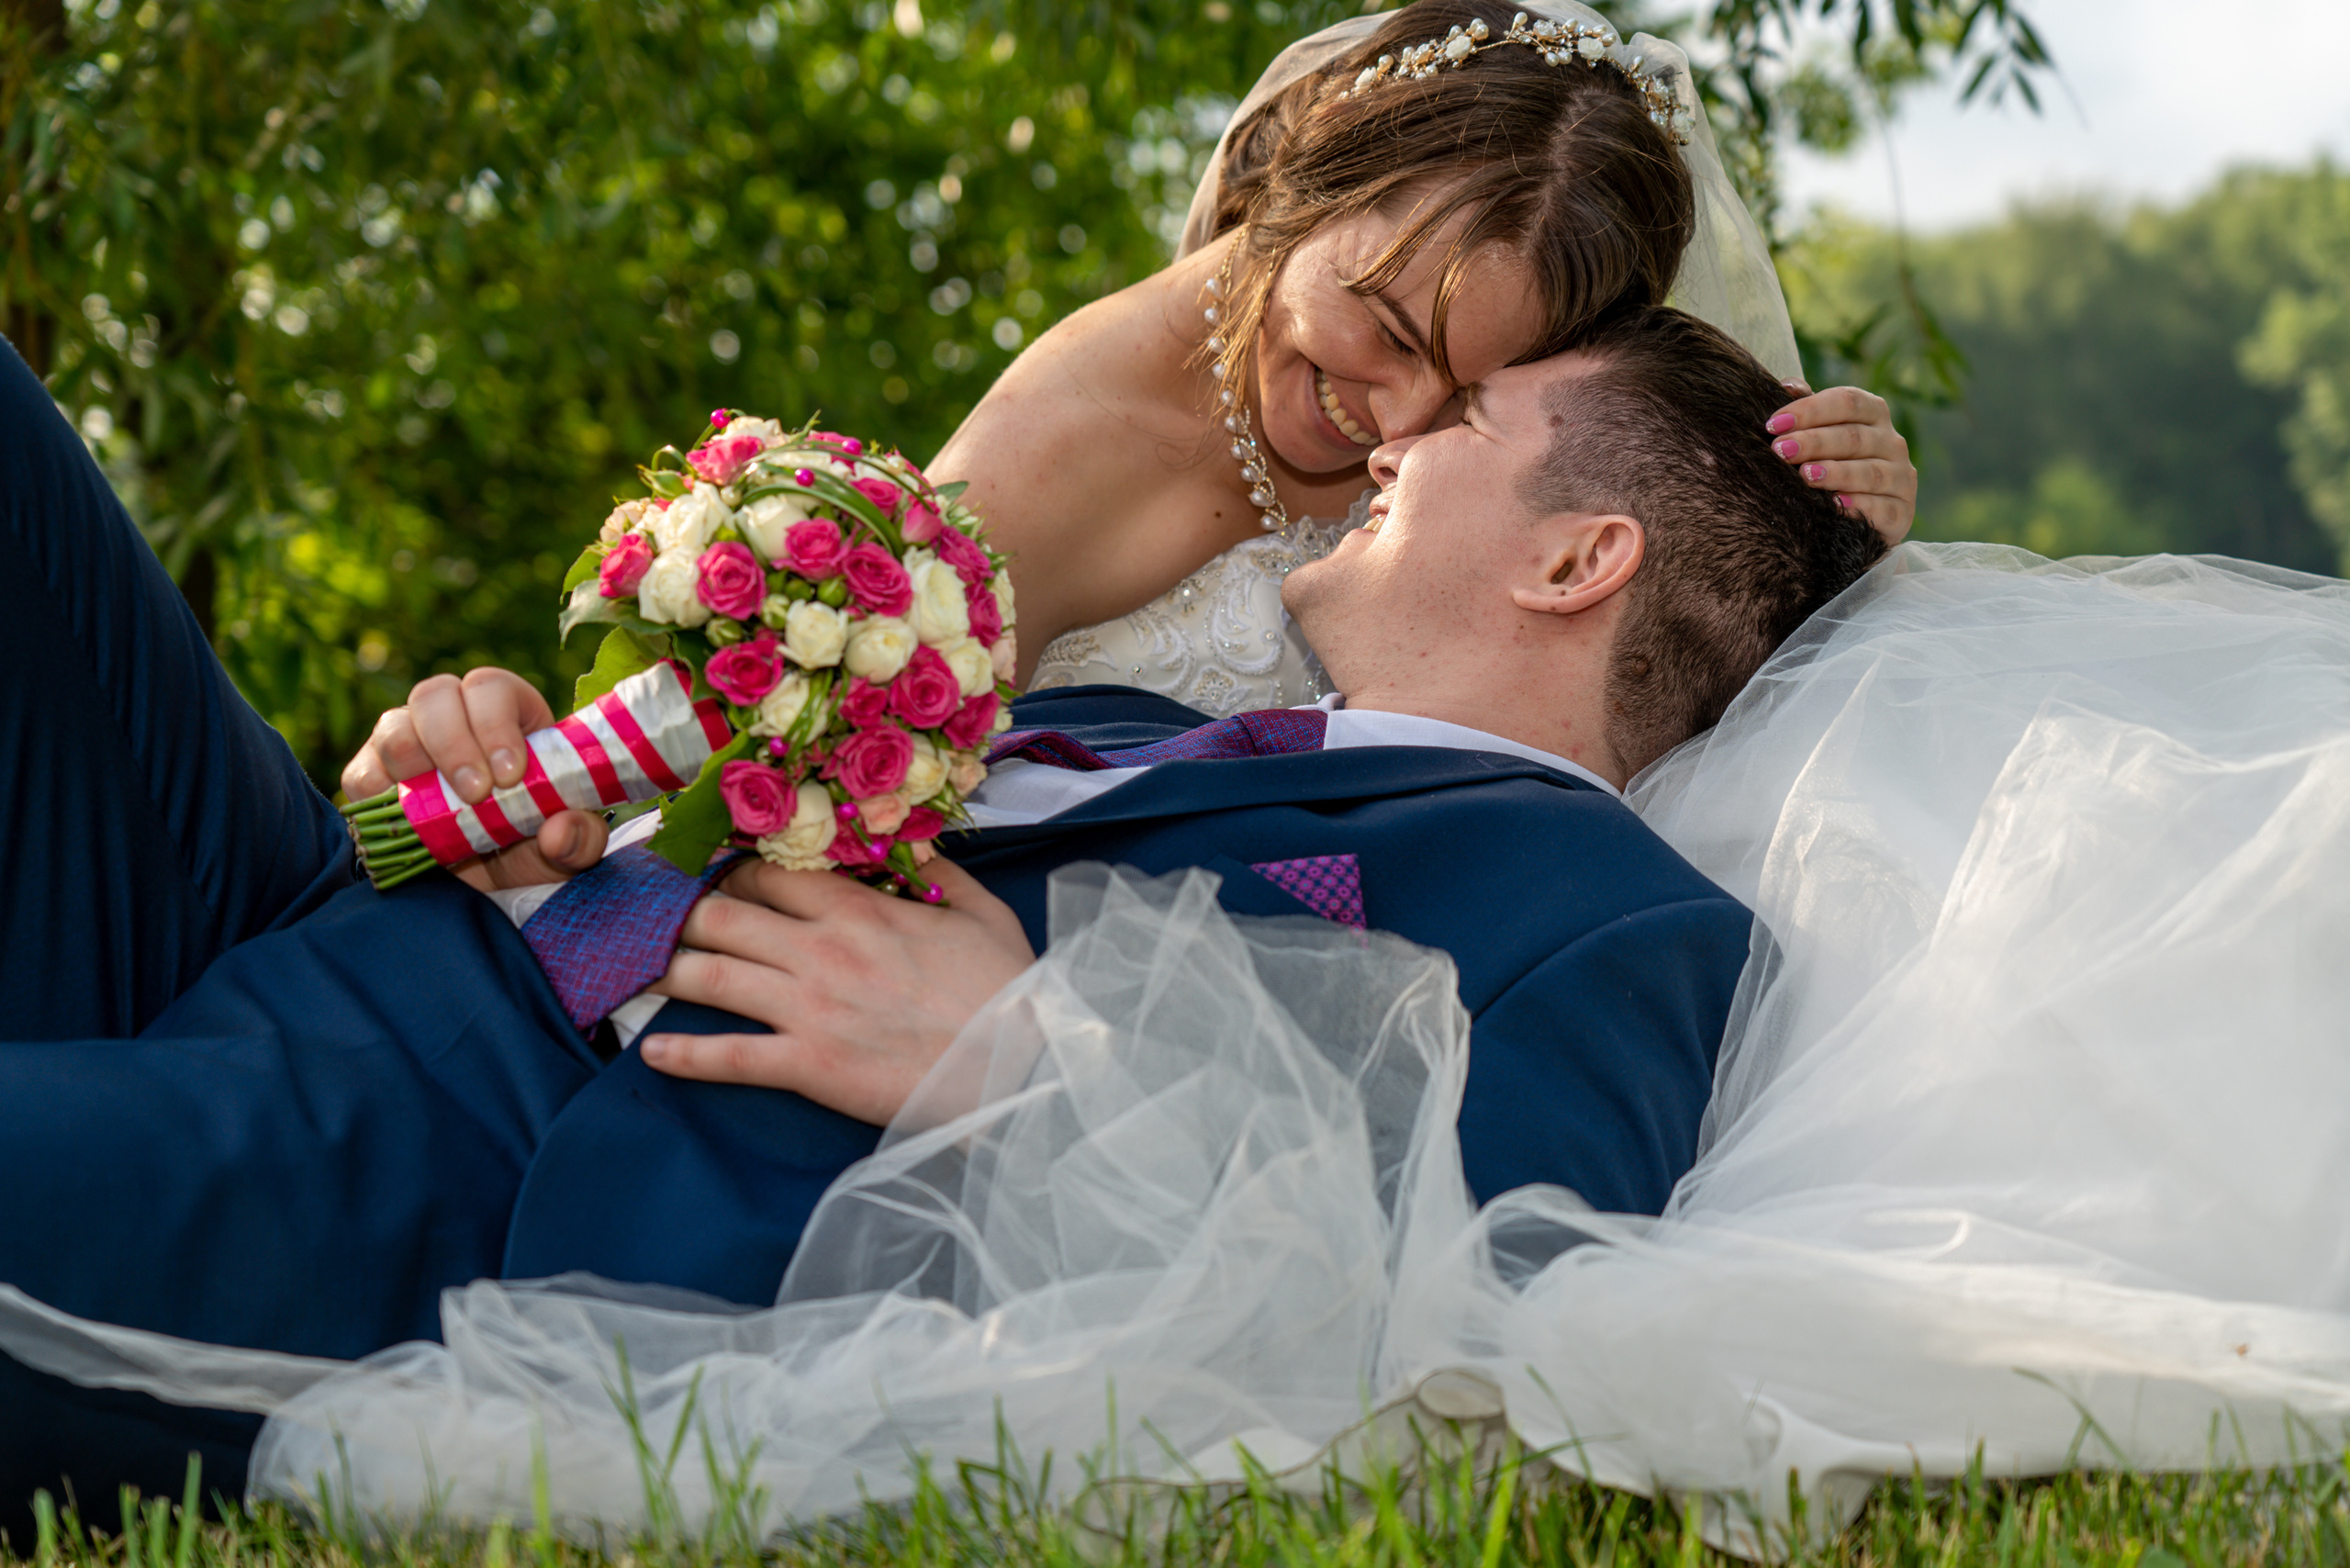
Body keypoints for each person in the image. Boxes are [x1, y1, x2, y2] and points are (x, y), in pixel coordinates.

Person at [0, 304, 1883, 1523]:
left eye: (1466, 422)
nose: (1389, 444)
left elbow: (1483, 1318)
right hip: (312, 910)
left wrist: (1032, 1064)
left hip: (405, 1165)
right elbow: (707, 963)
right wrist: (537, 851)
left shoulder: (1619, 917)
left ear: (1579, 556)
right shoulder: (1127, 711)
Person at [883, 0, 1919, 713]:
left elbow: (1658, 670)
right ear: (1314, 173)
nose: (1398, 426)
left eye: (1472, 396)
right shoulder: (1053, 453)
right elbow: (868, 767)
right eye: (1384, 330)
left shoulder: (1537, 413)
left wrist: (1830, 538)